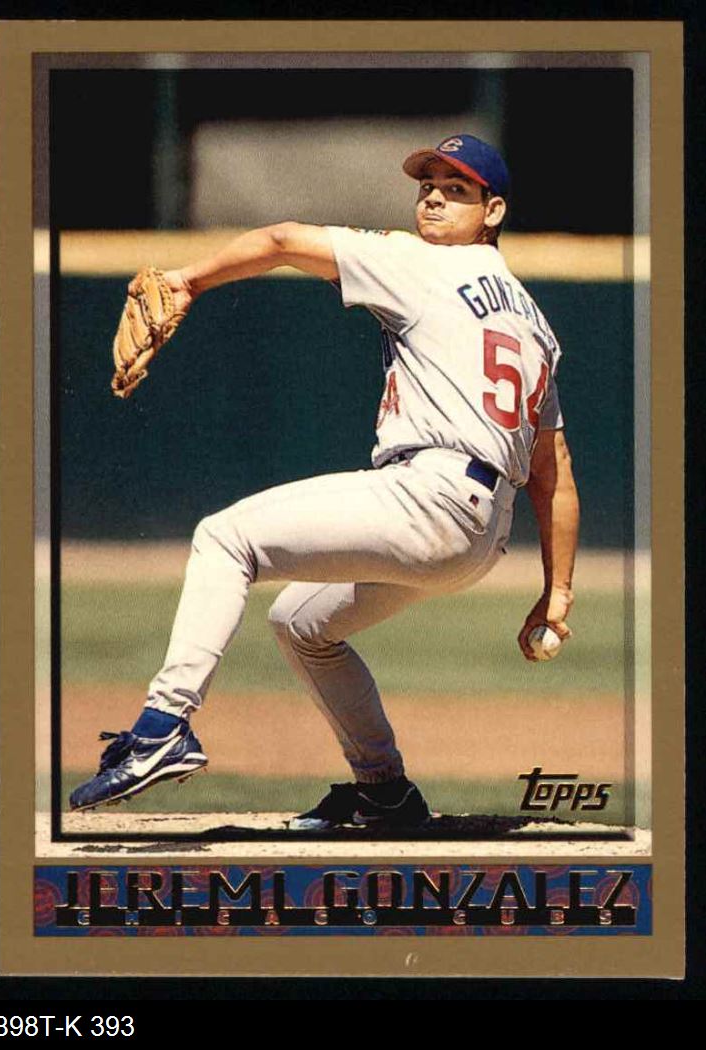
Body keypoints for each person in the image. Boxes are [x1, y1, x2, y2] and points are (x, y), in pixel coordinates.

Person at [70, 133, 580, 831]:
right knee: (302, 623)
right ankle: (385, 791)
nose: (432, 198)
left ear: (492, 212)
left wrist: (187, 280)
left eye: (456, 189)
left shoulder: (418, 261)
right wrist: (556, 593)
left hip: (430, 497)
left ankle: (163, 725)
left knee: (225, 539)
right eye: (427, 186)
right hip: (483, 535)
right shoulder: (534, 322)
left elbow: (282, 239)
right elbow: (554, 473)